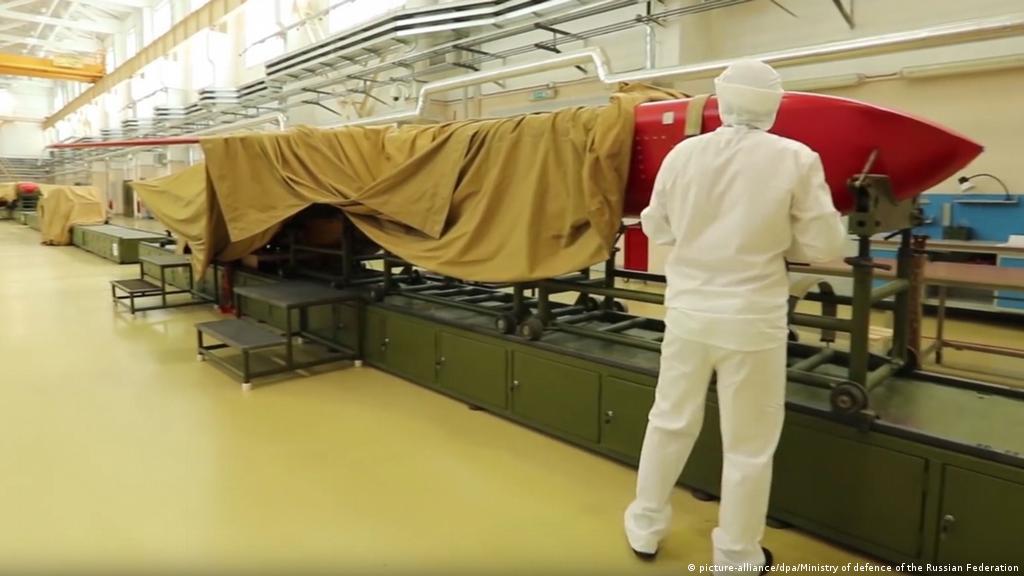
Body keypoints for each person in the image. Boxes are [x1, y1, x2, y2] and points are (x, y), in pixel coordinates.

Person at [623, 59, 847, 573]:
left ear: (721, 99)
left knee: (669, 421)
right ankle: (737, 553)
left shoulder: (683, 154)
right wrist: (780, 238)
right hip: (753, 320)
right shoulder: (796, 158)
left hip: (688, 314)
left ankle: (645, 525)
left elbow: (657, 227)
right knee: (749, 444)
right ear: (774, 106)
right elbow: (824, 246)